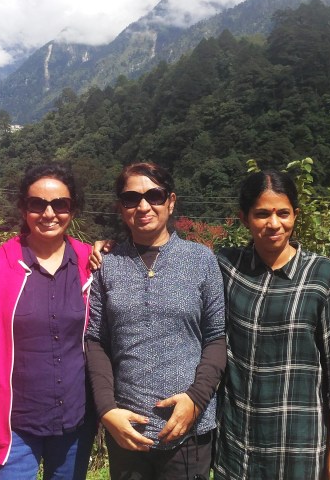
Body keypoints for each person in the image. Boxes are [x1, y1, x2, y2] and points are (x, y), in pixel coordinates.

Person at [0, 164, 96, 480]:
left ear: (72, 209)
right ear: (23, 208)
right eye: (37, 204)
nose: (49, 213)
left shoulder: (90, 263)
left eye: (60, 204)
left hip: (75, 422)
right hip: (13, 426)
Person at [85, 162, 226, 480]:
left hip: (188, 431)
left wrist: (196, 400)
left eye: (154, 196)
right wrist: (107, 409)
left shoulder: (201, 260)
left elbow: (216, 337)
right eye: (131, 198)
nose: (143, 206)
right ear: (121, 207)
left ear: (171, 201)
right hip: (127, 429)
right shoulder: (108, 264)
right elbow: (96, 340)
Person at [213, 170, 330, 480]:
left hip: (300, 441)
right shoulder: (227, 267)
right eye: (262, 214)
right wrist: (115, 249)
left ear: (296, 215)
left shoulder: (322, 275)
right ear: (244, 218)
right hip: (238, 442)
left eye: (283, 213)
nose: (274, 223)